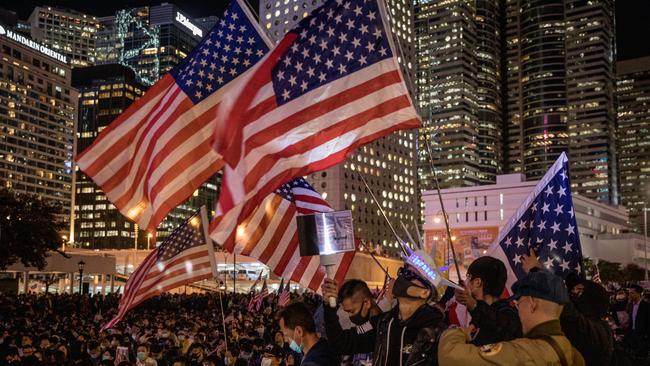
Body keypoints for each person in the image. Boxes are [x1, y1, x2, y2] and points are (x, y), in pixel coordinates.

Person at [321, 248, 446, 366]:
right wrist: (329, 306)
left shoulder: (439, 334)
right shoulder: (383, 323)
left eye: (409, 275)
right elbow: (341, 343)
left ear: (424, 292)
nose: (402, 277)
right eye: (403, 271)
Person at [438, 267, 585, 365]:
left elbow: (451, 357)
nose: (517, 307)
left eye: (519, 301)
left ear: (532, 303)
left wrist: (455, 332)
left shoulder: (523, 352)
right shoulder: (573, 353)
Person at [453, 256, 522, 345]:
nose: (466, 281)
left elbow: (497, 325)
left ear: (477, 282)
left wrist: (473, 304)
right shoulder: (479, 315)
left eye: (468, 277)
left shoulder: (508, 313)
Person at [626, 284, 650, 359]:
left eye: (632, 293)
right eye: (629, 293)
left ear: (638, 293)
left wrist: (646, 336)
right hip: (632, 334)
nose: (629, 295)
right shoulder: (630, 306)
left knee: (641, 358)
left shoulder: (647, 306)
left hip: (642, 336)